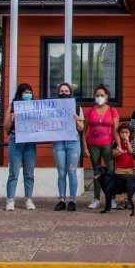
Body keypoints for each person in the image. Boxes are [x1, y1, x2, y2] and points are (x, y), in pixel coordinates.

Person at [2, 83, 38, 211]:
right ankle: (10, 199)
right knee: (14, 172)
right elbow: (5, 127)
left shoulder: (35, 107)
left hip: (30, 142)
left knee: (29, 173)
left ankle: (28, 198)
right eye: (25, 92)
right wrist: (11, 118)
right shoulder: (12, 107)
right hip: (15, 140)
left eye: (30, 92)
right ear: (20, 93)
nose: (28, 95)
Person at [83, 83, 119, 209]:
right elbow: (84, 130)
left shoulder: (112, 110)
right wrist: (85, 147)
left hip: (108, 145)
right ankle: (96, 199)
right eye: (97, 95)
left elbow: (115, 130)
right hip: (93, 145)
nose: (99, 97)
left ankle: (112, 198)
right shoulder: (90, 110)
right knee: (96, 172)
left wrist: (118, 145)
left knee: (110, 172)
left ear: (107, 96)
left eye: (102, 95)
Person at [51, 82, 84, 212]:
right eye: (61, 91)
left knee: (72, 171)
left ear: (70, 93)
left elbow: (81, 127)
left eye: (66, 91)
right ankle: (61, 199)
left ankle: (72, 200)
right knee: (61, 172)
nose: (64, 93)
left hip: (73, 141)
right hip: (59, 142)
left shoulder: (76, 106)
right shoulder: (52, 107)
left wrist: (76, 119)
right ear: (58, 93)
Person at [113, 122, 135, 208]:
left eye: (126, 132)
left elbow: (131, 151)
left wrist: (127, 142)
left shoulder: (131, 141)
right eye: (122, 132)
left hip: (129, 168)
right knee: (119, 185)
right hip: (119, 168)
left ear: (130, 133)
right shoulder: (116, 142)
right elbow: (114, 154)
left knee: (129, 185)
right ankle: (120, 201)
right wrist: (117, 151)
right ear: (119, 133)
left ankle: (128, 200)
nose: (124, 134)